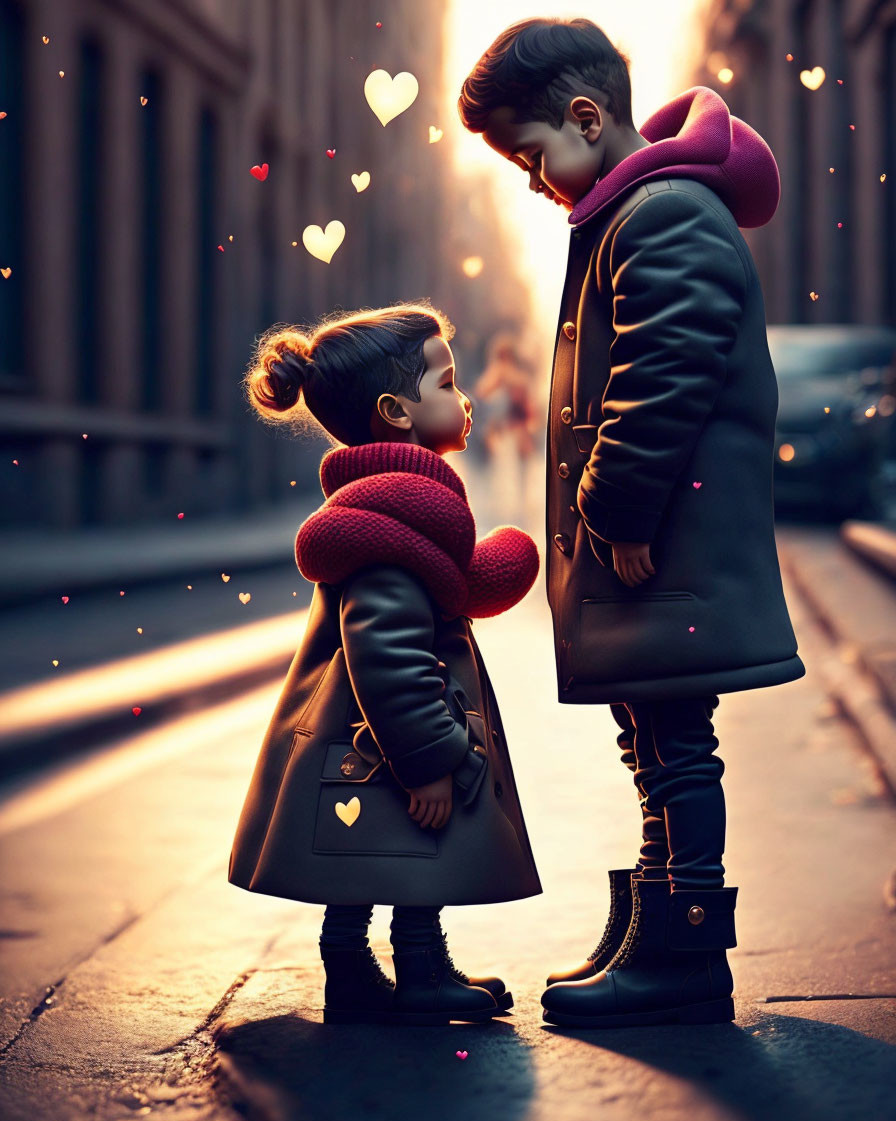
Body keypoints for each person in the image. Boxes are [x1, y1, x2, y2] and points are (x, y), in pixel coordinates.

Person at [458, 17, 806, 1028]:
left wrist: (609, 504)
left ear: (584, 115)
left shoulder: (658, 214)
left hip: (665, 538)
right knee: (654, 738)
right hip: (657, 539)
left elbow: (664, 374)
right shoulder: (634, 213)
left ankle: (684, 954)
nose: (530, 182)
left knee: (676, 741)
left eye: (531, 156)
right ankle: (651, 926)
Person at [227, 302, 542, 1026]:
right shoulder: (391, 530)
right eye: (446, 384)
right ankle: (419, 973)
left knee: (372, 850)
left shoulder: (400, 517)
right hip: (390, 745)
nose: (464, 401)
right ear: (397, 411)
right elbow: (387, 654)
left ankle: (362, 970)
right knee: (411, 846)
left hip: (373, 746)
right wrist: (428, 754)